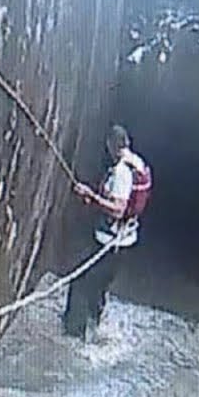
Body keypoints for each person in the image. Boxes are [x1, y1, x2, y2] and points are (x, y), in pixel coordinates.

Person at [63, 124, 152, 340]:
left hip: (111, 244)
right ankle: (94, 327)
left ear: (111, 145)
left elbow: (118, 209)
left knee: (81, 282)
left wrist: (92, 197)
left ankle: (75, 334)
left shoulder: (121, 172)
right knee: (98, 285)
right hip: (123, 241)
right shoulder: (137, 163)